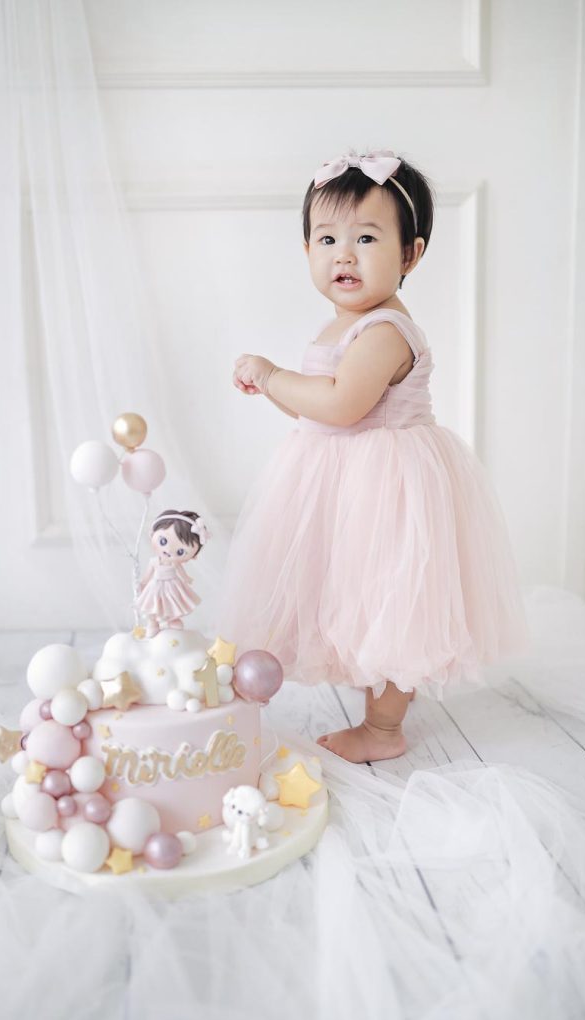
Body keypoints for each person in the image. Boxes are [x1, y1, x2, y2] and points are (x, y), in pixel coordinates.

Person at [217, 147, 531, 764]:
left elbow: (342, 405)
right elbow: (319, 408)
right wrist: (280, 390)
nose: (344, 254)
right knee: (348, 592)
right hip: (337, 482)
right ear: (306, 250)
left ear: (411, 254)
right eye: (327, 238)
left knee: (392, 601)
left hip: (387, 486)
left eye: (366, 237)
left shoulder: (385, 330)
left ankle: (384, 729)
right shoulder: (339, 325)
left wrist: (273, 373)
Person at [135, 509, 208, 637]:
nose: (169, 550)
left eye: (180, 552)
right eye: (163, 542)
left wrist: (187, 578)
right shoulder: (154, 561)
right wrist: (142, 583)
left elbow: (181, 572)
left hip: (173, 585)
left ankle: (172, 619)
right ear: (152, 535)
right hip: (156, 585)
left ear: (193, 556)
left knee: (173, 603)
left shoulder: (175, 563)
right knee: (153, 604)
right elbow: (147, 576)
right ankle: (153, 623)